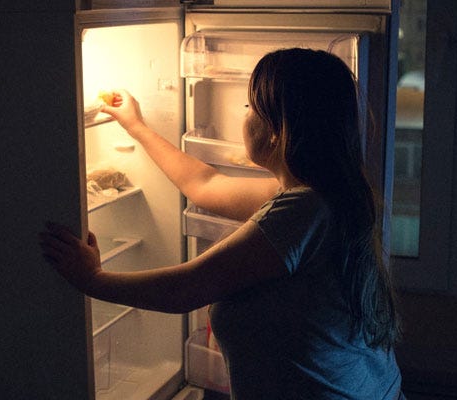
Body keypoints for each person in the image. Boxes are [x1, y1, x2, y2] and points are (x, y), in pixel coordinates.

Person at [39, 48, 402, 399]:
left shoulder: (306, 211)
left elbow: (186, 289)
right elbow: (205, 186)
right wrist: (137, 127)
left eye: (250, 107)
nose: (244, 116)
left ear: (278, 130)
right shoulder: (328, 195)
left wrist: (92, 280)